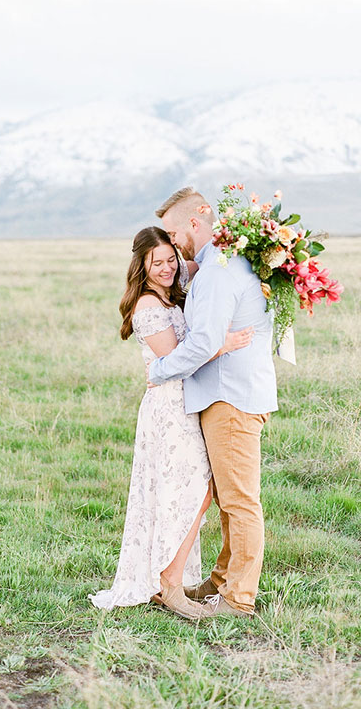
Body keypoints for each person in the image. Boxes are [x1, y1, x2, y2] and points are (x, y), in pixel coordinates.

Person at [88, 226, 253, 620]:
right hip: (169, 407)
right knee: (194, 493)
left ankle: (170, 578)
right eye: (155, 262)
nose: (165, 268)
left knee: (194, 492)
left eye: (169, 260)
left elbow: (206, 263)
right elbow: (176, 360)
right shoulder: (147, 306)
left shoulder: (173, 286)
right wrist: (222, 344)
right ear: (141, 266)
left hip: (187, 404)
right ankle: (170, 586)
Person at [148, 187, 278, 617]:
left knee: (240, 500)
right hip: (231, 393)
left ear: (196, 220)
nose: (171, 241)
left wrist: (159, 369)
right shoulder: (219, 264)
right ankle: (221, 580)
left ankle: (238, 597)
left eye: (172, 231)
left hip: (230, 397)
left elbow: (204, 342)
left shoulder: (219, 270)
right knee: (227, 496)